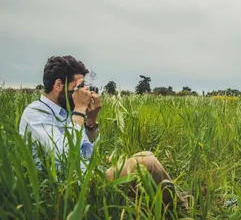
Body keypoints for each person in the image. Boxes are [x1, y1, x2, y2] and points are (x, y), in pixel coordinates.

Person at [19, 55, 188, 210]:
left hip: (87, 178)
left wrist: (91, 121)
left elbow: (89, 156)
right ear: (58, 85)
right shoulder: (35, 114)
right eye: (78, 87)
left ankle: (176, 203)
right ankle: (183, 211)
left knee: (146, 154)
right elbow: (67, 158)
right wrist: (79, 110)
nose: (83, 92)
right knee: (146, 163)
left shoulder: (67, 112)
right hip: (67, 190)